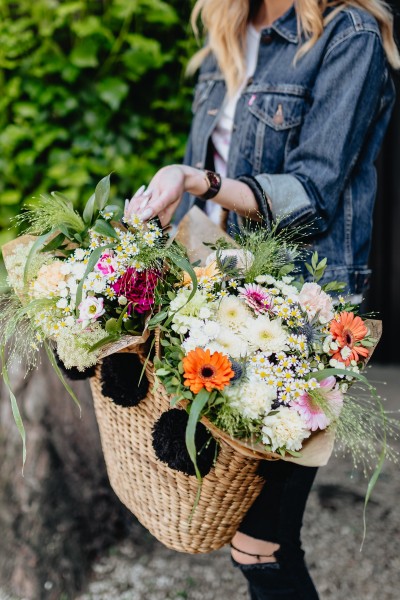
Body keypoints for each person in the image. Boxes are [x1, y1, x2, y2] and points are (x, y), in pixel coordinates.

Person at [126, 0, 399, 598]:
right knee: (250, 539)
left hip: (301, 309)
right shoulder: (225, 31)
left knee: (261, 547)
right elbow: (201, 173)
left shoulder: (346, 34)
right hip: (217, 296)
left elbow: (314, 191)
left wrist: (199, 181)